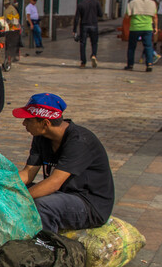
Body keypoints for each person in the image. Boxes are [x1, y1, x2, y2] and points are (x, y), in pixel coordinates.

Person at [14, 93, 114, 233]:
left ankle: (46, 247)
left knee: (41, 205)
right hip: (62, 194)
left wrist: (19, 199)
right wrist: (3, 187)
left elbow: (54, 183)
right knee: (18, 190)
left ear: (45, 123)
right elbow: (27, 174)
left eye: (28, 120)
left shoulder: (79, 141)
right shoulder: (41, 136)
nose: (24, 123)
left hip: (89, 204)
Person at [124, 0, 157, 71]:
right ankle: (149, 64)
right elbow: (155, 17)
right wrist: (156, 27)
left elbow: (127, 17)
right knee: (148, 46)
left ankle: (130, 65)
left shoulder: (132, 3)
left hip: (135, 28)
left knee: (132, 47)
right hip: (147, 28)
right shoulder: (152, 3)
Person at [73, 0, 102, 68]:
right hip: (94, 25)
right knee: (94, 42)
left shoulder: (80, 4)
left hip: (84, 25)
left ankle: (83, 62)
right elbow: (101, 14)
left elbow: (76, 18)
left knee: (83, 44)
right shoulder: (96, 3)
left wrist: (74, 30)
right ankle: (93, 55)